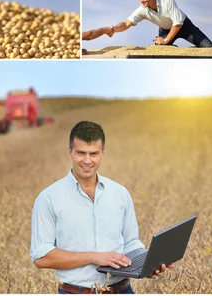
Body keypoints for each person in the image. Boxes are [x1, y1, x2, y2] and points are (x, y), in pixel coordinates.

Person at [31, 121, 173, 294]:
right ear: (70, 152)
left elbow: (130, 243)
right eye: (81, 153)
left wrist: (148, 261)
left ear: (102, 153)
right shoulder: (48, 198)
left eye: (94, 153)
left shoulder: (120, 193)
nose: (87, 160)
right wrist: (94, 257)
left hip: (123, 290)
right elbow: (41, 258)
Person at [109, 0, 212, 48]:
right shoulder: (142, 10)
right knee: (159, 51)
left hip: (184, 26)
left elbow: (178, 23)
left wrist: (165, 40)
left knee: (209, 47)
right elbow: (126, 23)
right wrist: (113, 29)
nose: (141, 1)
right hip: (165, 30)